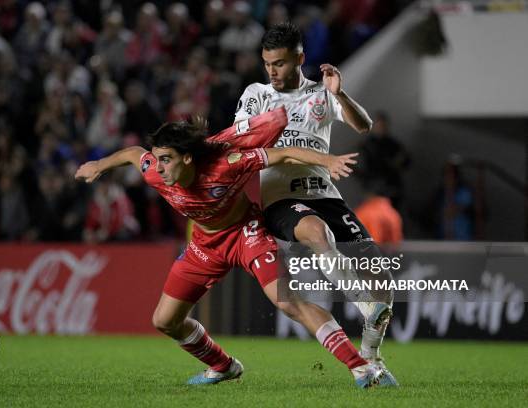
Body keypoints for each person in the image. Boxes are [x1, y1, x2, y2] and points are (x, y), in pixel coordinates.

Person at [75, 108, 392, 388]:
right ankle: (223, 366)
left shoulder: (227, 165)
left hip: (246, 234)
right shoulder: (156, 171)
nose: (158, 167)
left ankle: (361, 367)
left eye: (166, 159)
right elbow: (133, 153)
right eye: (157, 159)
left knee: (287, 301)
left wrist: (327, 160)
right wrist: (99, 165)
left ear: (187, 158)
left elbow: (280, 155)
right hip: (205, 244)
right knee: (164, 321)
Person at [234, 22, 398, 385]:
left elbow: (364, 124)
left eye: (279, 63)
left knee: (382, 278)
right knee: (316, 232)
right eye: (267, 63)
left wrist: (340, 95)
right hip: (280, 198)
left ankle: (372, 359)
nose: (272, 71)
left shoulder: (320, 94)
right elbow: (247, 147)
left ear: (299, 59)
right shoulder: (256, 94)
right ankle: (364, 305)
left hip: (325, 195)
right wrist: (316, 158)